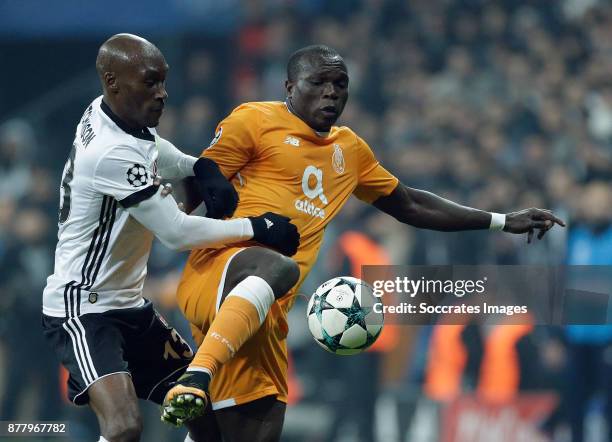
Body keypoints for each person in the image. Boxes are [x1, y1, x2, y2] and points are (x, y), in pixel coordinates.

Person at [162, 44, 564, 441]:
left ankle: (199, 387)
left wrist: (501, 220)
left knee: (248, 432)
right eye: (318, 82)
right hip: (221, 276)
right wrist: (157, 212)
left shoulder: (349, 150)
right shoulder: (253, 119)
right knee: (276, 265)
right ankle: (199, 372)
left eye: (340, 83)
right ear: (288, 86)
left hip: (265, 315)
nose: (331, 92)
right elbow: (198, 182)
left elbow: (410, 204)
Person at [41, 33, 299, 442]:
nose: (162, 93)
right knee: (124, 427)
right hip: (83, 308)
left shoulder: (108, 113)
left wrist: (199, 166)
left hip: (130, 307)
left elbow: (152, 148)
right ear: (113, 81)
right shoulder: (109, 152)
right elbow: (176, 233)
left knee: (201, 408)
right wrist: (257, 227)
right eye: (150, 82)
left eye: (163, 81)